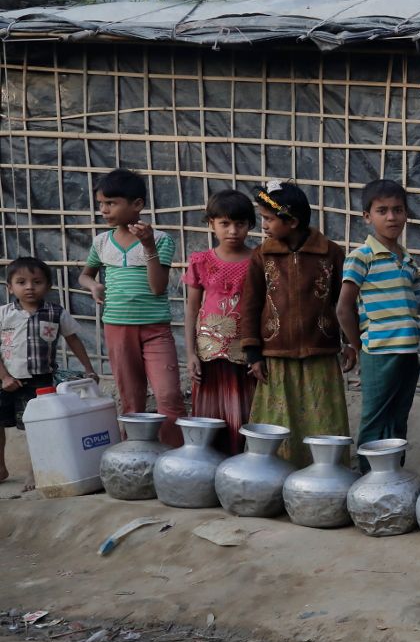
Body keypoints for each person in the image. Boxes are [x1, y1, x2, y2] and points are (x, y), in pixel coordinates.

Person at [242, 180, 352, 469]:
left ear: (291, 221)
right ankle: (274, 476)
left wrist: (350, 342)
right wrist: (253, 352)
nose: (263, 225)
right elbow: (251, 305)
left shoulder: (330, 253)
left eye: (268, 219)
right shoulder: (261, 256)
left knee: (322, 418)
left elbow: (343, 302)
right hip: (275, 355)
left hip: (321, 352)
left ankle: (326, 475)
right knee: (279, 420)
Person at [79, 168, 185, 447]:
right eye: (101, 203)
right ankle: (135, 456)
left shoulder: (161, 239)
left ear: (137, 205)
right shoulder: (101, 242)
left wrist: (147, 245)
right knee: (131, 398)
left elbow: (158, 287)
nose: (103, 210)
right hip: (117, 327)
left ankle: (174, 458)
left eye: (111, 203)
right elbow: (85, 274)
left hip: (155, 329)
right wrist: (94, 286)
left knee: (168, 396)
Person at [339, 180, 420, 470]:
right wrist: (358, 346)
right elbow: (343, 308)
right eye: (382, 210)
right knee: (375, 419)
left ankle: (393, 477)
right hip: (379, 352)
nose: (391, 217)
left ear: (406, 214)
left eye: (397, 210)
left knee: (399, 419)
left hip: (408, 353)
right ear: (367, 216)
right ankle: (367, 481)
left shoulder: (408, 260)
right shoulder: (361, 257)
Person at [0, 257, 97, 486]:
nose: (29, 287)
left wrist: (89, 368)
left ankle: (35, 470)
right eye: (21, 282)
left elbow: (73, 339)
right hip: (5, 378)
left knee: (35, 427)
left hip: (39, 380)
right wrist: (4, 376)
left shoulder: (56, 313)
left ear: (48, 286)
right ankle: (1, 468)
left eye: (37, 282)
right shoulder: (3, 314)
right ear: (10, 287)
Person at [184, 189, 257, 456]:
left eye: (240, 223)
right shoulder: (201, 261)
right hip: (208, 353)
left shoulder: (258, 261)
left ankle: (237, 472)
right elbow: (192, 310)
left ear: (250, 224)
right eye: (224, 223)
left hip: (245, 352)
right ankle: (206, 470)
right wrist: (190, 353)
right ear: (211, 224)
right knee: (209, 417)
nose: (233, 231)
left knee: (243, 414)